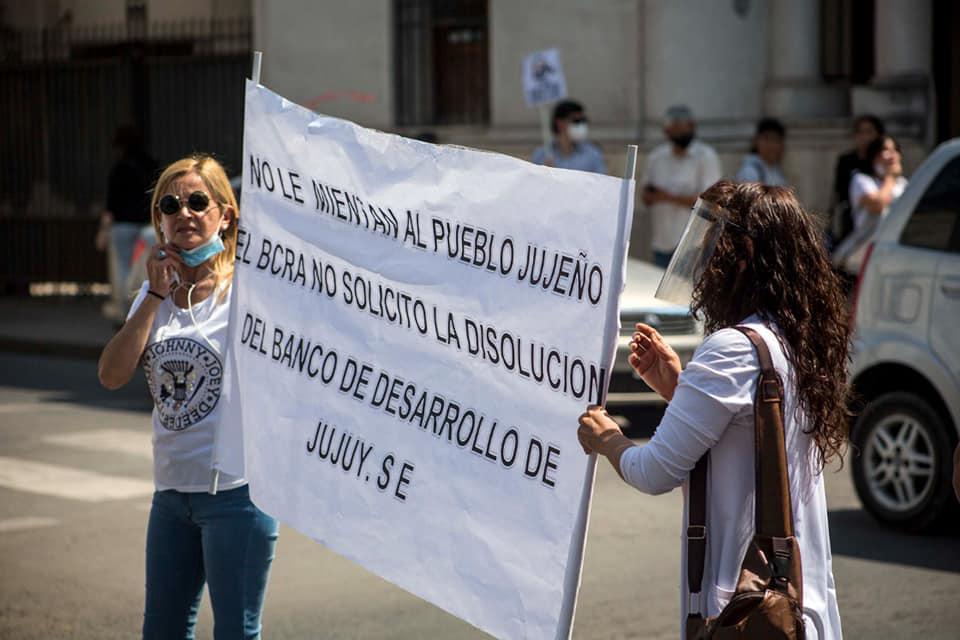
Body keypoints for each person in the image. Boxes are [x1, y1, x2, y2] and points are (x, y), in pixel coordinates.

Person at [577, 181, 846, 638]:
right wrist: (680, 388)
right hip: (800, 604)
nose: (703, 267)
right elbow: (750, 439)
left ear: (740, 253)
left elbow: (653, 471)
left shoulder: (732, 349)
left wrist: (605, 438)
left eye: (710, 245)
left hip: (746, 609)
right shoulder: (791, 338)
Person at [98, 155, 278, 639]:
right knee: (162, 631)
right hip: (172, 496)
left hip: (235, 496)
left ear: (226, 214)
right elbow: (111, 375)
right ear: (159, 219)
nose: (185, 213)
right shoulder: (153, 293)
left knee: (235, 633)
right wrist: (153, 299)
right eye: (170, 204)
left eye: (198, 201)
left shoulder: (249, 291)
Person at [640, 105, 722, 268]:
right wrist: (681, 198)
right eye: (675, 128)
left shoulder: (706, 157)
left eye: (684, 127)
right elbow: (645, 196)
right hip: (662, 242)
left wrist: (664, 196)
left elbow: (710, 203)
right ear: (667, 131)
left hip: (694, 245)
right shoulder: (657, 157)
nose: (680, 133)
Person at [99, 124, 159, 323]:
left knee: (123, 269)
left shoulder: (120, 166)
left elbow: (111, 201)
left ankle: (126, 311)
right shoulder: (150, 164)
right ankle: (136, 308)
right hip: (146, 223)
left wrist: (104, 228)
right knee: (140, 268)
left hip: (122, 225)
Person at [831, 134, 907, 275]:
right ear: (874, 156)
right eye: (886, 150)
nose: (892, 156)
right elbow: (877, 205)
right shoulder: (862, 180)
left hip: (891, 260)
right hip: (860, 263)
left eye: (895, 150)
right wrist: (890, 178)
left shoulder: (904, 185)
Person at [830, 115, 885, 247]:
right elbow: (839, 193)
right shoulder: (847, 162)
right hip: (851, 222)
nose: (864, 137)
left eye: (869, 132)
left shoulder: (883, 162)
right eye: (860, 132)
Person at [531, 99, 607, 174]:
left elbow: (602, 183)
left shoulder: (592, 154)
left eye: (583, 120)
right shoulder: (542, 155)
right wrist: (544, 174)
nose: (581, 125)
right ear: (560, 123)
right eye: (576, 121)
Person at [735, 117, 788, 186]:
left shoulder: (777, 172)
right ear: (756, 141)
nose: (771, 145)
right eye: (767, 139)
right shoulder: (749, 172)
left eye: (775, 140)